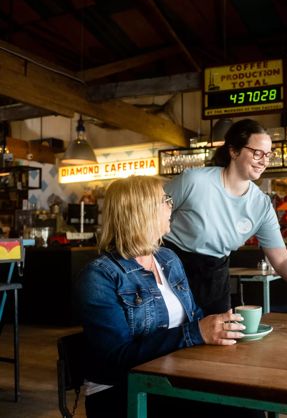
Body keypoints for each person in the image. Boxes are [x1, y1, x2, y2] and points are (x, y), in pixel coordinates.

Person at [75, 176, 258, 418]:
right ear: (141, 212)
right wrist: (197, 332)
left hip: (174, 376)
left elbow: (193, 317)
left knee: (249, 401)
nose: (171, 205)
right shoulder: (100, 276)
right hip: (122, 391)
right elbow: (115, 360)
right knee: (240, 410)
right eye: (165, 200)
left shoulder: (167, 259)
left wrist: (220, 327)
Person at [163, 119, 287, 314]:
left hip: (215, 279)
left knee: (221, 339)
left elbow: (281, 260)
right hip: (170, 270)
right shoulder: (194, 181)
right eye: (257, 153)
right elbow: (147, 215)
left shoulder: (261, 205)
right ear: (233, 151)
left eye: (268, 155)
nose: (264, 161)